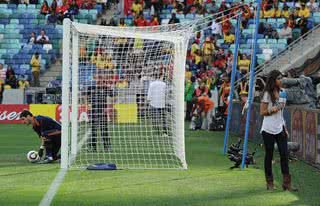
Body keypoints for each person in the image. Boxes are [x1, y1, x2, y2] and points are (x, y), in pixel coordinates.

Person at [260, 70, 297, 191]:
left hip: (280, 128)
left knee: (284, 155)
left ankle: (287, 184)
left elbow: (281, 114)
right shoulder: (267, 94)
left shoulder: (283, 93)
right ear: (273, 80)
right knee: (269, 155)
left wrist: (284, 127)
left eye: (282, 78)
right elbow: (262, 112)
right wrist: (273, 109)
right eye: (279, 78)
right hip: (268, 129)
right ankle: (269, 182)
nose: (281, 80)